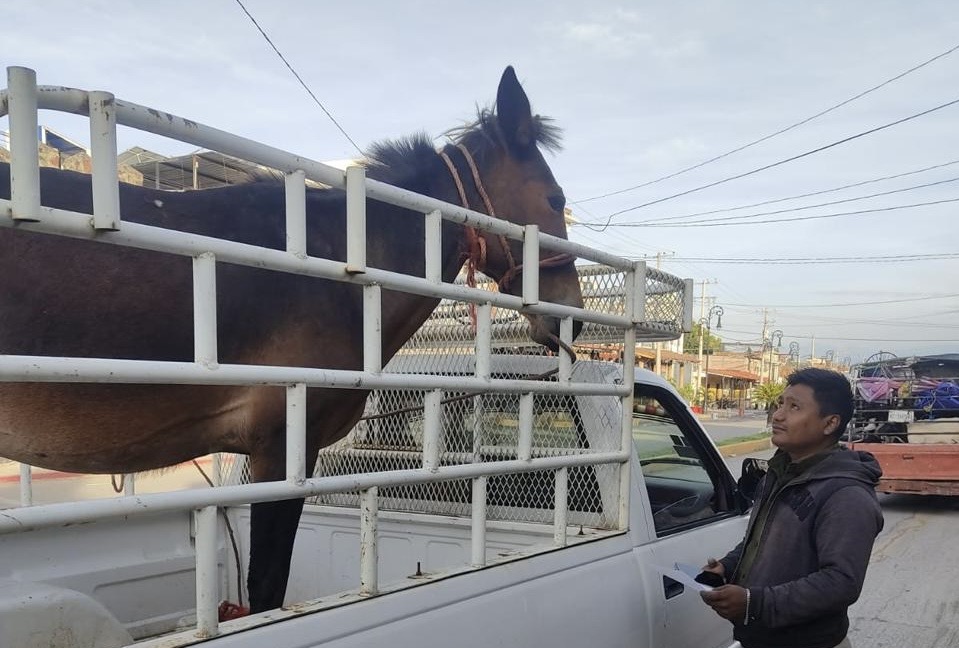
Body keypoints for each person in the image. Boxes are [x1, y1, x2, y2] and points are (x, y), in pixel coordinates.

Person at [699, 367, 884, 648]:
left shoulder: (847, 495)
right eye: (780, 404)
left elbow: (841, 582)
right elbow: (763, 540)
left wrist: (754, 603)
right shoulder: (781, 471)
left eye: (794, 407)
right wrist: (727, 566)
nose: (778, 415)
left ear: (830, 423)